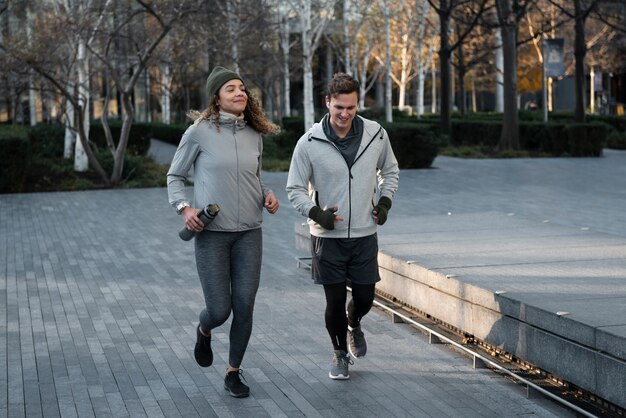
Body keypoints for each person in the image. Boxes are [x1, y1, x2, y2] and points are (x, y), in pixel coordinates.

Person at [167, 66, 280, 398]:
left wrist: (267, 195)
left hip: (250, 233)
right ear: (216, 97)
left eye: (242, 88)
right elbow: (175, 176)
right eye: (230, 89)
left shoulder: (253, 134)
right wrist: (184, 208)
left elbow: (255, 178)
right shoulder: (198, 132)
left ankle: (233, 371)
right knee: (220, 310)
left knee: (244, 306)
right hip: (212, 234)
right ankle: (204, 330)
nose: (239, 93)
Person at [286, 72, 399, 380]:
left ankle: (355, 323)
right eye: (339, 107)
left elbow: (390, 171)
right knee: (334, 301)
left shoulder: (376, 134)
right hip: (327, 238)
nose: (345, 114)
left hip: (364, 233)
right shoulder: (309, 142)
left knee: (365, 297)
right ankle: (338, 353)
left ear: (356, 103)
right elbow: (294, 188)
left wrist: (385, 203)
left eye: (350, 107)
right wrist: (316, 213)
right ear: (328, 103)